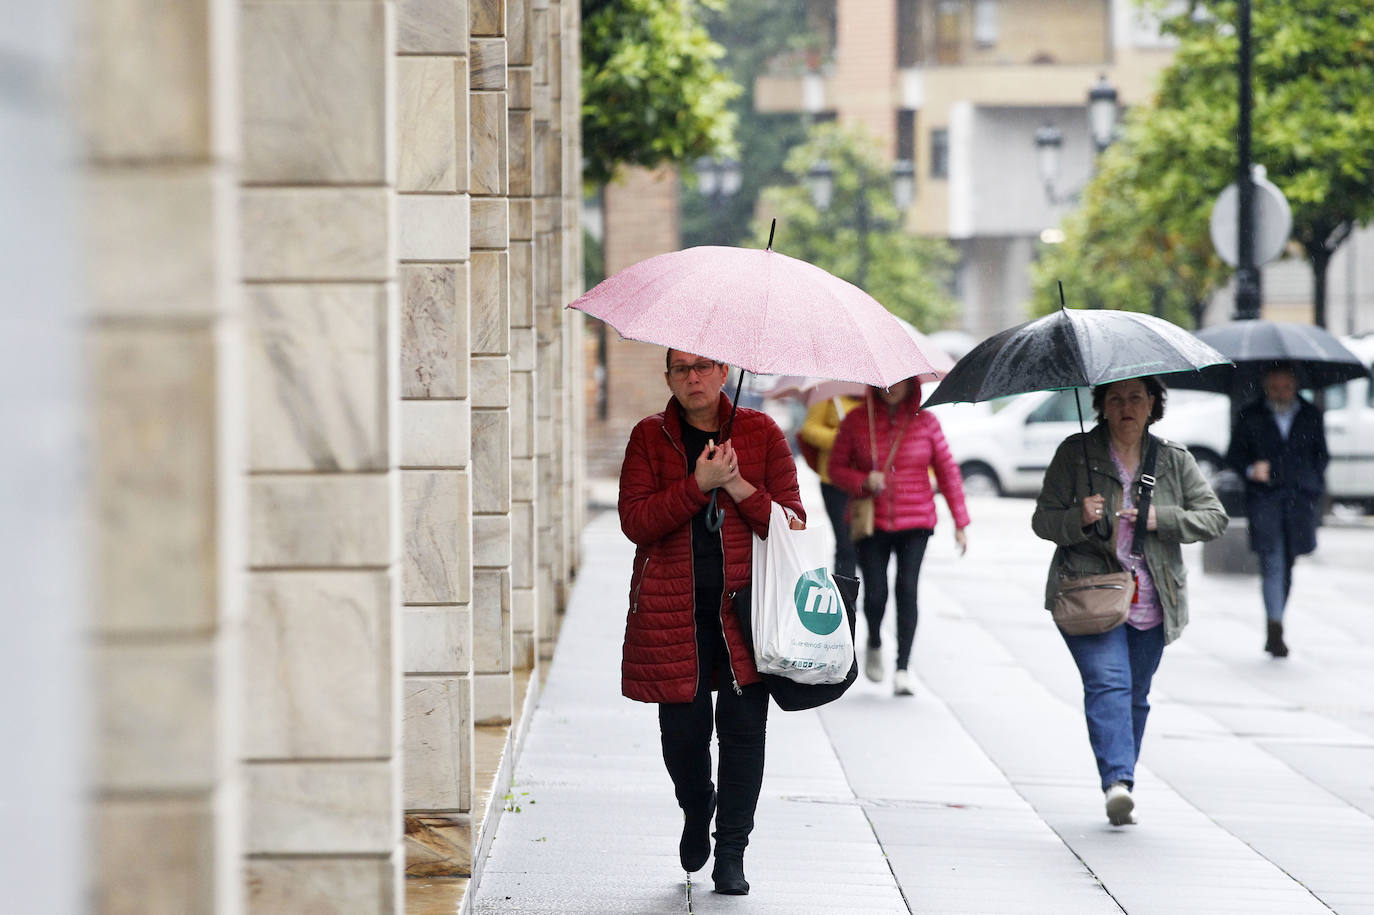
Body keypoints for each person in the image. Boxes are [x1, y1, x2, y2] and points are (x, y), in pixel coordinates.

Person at [618, 349, 805, 895]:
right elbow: (636, 522)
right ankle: (697, 806)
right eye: (681, 369)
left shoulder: (762, 432)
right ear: (669, 377)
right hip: (673, 614)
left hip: (746, 615)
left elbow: (793, 521)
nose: (693, 377)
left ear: (725, 372)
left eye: (704, 367)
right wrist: (697, 485)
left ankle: (732, 852)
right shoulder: (648, 437)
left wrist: (737, 485)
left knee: (745, 735)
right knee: (683, 737)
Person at [1033, 377, 1226, 827]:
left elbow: (1214, 518)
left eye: (1136, 398)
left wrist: (1164, 518)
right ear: (1100, 404)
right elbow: (1043, 519)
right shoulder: (1074, 453)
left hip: (1152, 599)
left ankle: (1123, 779)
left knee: (1135, 695)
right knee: (1109, 684)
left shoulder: (1174, 460)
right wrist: (1078, 517)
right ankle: (1117, 781)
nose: (1126, 407)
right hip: (1089, 592)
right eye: (1116, 398)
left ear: (1153, 404)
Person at [828, 378, 969, 696]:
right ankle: (875, 639)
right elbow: (835, 468)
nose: (890, 388)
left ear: (911, 384)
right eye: (883, 383)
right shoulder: (856, 420)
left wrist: (960, 522)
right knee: (875, 593)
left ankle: (903, 667)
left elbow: (947, 471)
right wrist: (863, 481)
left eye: (899, 383)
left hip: (916, 522)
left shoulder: (927, 422)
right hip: (872, 523)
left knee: (907, 590)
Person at [1225, 362, 1330, 658]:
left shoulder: (1310, 415)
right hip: (1265, 499)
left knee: (1288, 562)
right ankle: (1275, 625)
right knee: (1272, 560)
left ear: (1295, 385)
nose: (1280, 392)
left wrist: (1311, 481)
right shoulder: (1251, 415)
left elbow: (1321, 456)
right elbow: (1233, 455)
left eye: (1285, 386)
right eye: (1274, 386)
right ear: (1265, 386)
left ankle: (1276, 617)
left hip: (1299, 500)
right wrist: (1250, 469)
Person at [798, 395, 863, 579]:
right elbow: (809, 429)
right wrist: (842, 438)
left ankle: (872, 602)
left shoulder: (876, 394)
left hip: (867, 482)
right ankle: (845, 599)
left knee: (867, 546)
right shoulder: (829, 393)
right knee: (846, 543)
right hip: (834, 482)